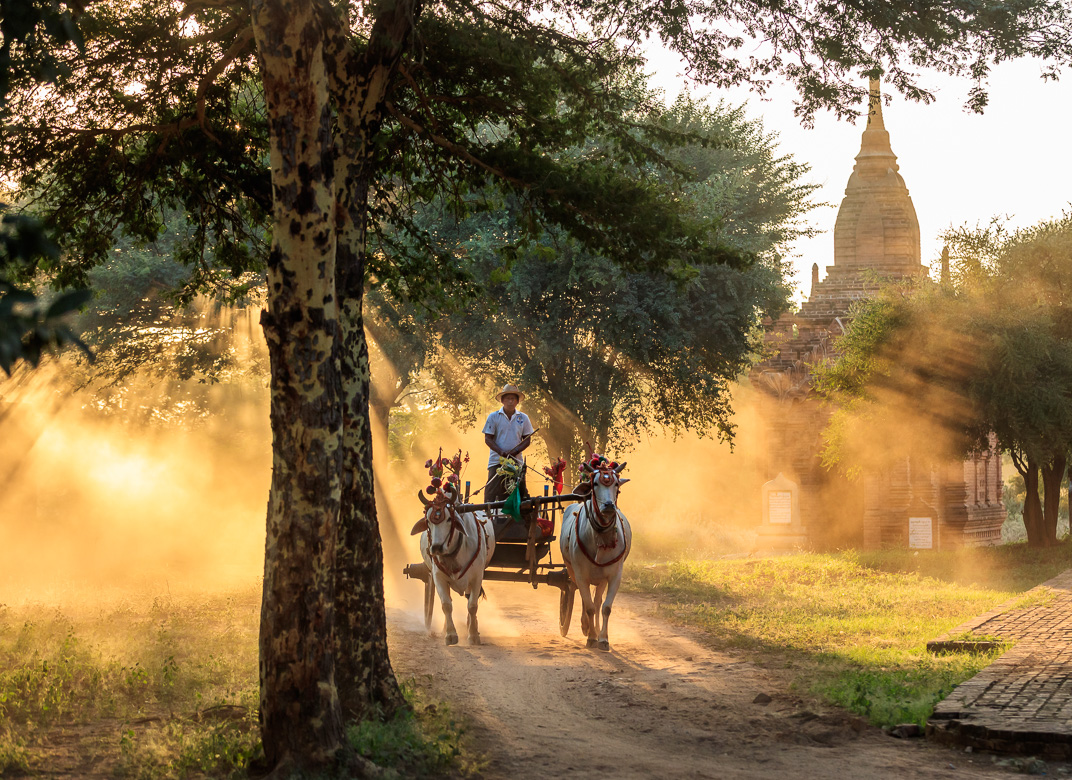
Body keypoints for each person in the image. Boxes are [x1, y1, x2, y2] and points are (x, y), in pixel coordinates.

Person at [482, 384, 534, 505]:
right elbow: (488, 439)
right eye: (507, 399)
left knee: (520, 492)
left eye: (513, 399)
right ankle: (488, 517)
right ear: (502, 400)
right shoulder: (493, 417)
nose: (510, 401)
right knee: (491, 492)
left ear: (517, 401)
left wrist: (514, 452)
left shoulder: (523, 418)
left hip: (516, 462)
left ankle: (521, 519)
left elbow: (527, 440)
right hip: (497, 461)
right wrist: (501, 452)